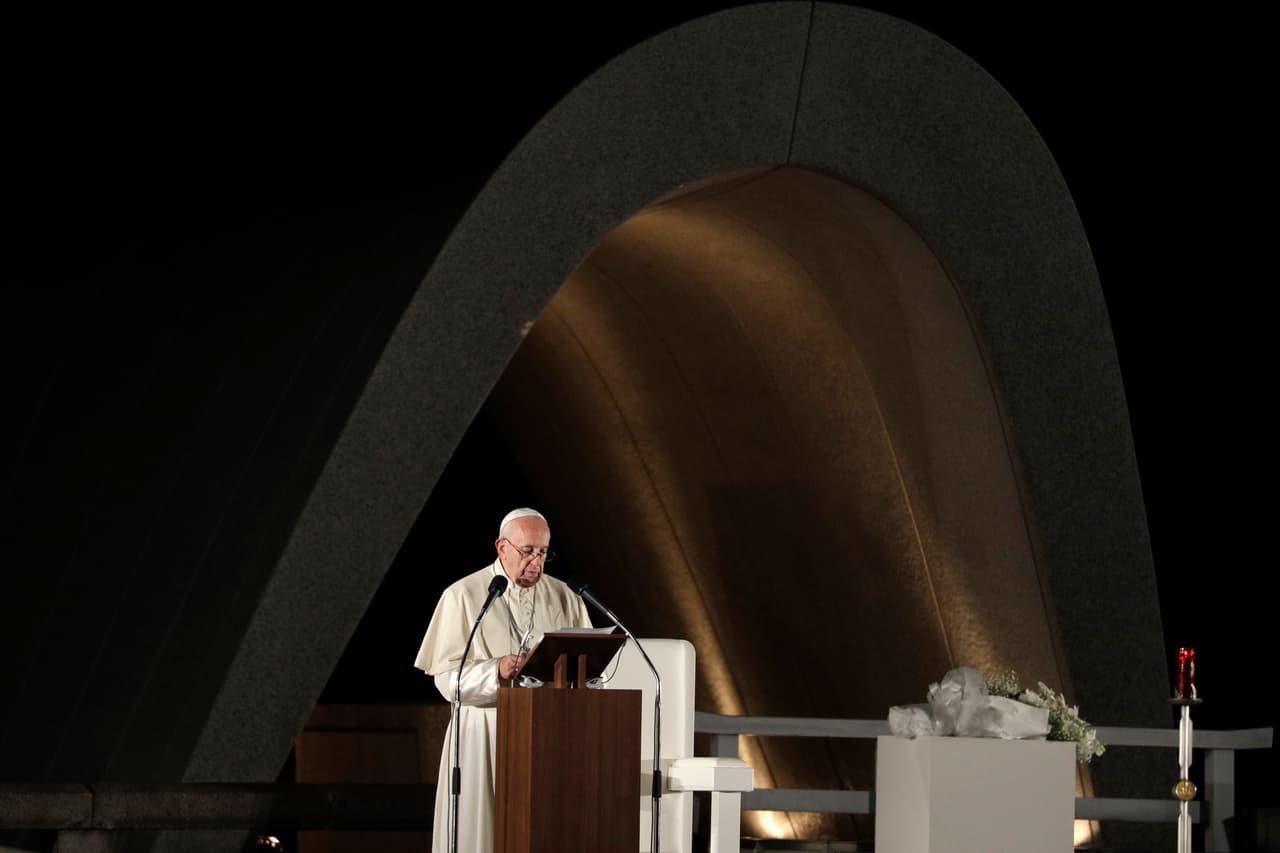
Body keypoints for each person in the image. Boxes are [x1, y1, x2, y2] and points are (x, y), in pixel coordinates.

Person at [414, 507, 593, 853]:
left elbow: (586, 666)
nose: (536, 562)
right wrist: (495, 671)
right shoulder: (464, 595)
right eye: (527, 551)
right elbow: (446, 680)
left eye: (543, 553)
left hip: (547, 733)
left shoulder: (564, 596)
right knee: (482, 834)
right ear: (502, 547)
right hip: (484, 733)